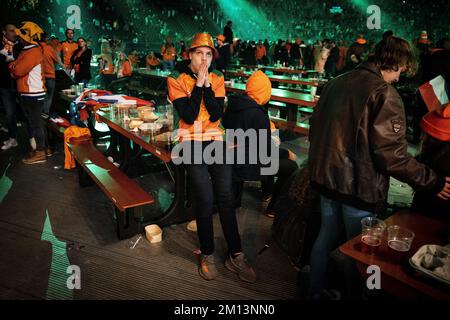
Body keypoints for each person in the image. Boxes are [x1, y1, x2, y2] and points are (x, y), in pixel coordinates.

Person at [308, 36, 450, 299]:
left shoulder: (336, 82)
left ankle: (314, 293)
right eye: (400, 70)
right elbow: (392, 157)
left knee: (325, 237)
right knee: (361, 252)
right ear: (395, 62)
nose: (399, 78)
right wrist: (433, 181)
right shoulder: (385, 94)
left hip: (326, 178)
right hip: (359, 187)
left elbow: (315, 129)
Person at [167, 32, 257, 283]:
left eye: (208, 54)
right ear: (189, 55)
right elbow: (188, 114)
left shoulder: (217, 77)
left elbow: (217, 115)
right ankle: (206, 252)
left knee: (226, 197)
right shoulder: (175, 79)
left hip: (216, 138)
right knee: (205, 198)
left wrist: (207, 84)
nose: (204, 59)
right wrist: (198, 85)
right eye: (199, 54)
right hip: (190, 140)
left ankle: (236, 253)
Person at [222, 70, 298, 216]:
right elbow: (266, 150)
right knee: (290, 166)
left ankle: (267, 193)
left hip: (230, 158)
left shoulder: (234, 104)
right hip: (244, 165)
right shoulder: (257, 114)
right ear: (264, 92)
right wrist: (287, 153)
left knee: (269, 153)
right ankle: (272, 206)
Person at [9, 21, 48, 164]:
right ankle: (43, 149)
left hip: (33, 93)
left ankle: (41, 152)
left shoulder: (33, 51)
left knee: (35, 124)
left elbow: (17, 70)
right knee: (35, 123)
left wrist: (12, 67)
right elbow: (15, 68)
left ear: (28, 37)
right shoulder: (28, 50)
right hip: (29, 92)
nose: (18, 37)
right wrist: (14, 67)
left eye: (21, 34)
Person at [411, 103, 450, 223]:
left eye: (426, 135)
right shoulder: (432, 154)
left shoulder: (444, 159)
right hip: (423, 216)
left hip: (433, 220)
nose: (422, 138)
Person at [0, 23, 19, 151]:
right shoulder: (0, 46)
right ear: (4, 32)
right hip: (5, 85)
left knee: (28, 114)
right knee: (9, 113)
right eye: (11, 31)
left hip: (20, 85)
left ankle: (36, 144)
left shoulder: (20, 45)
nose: (14, 33)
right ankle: (13, 138)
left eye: (15, 31)